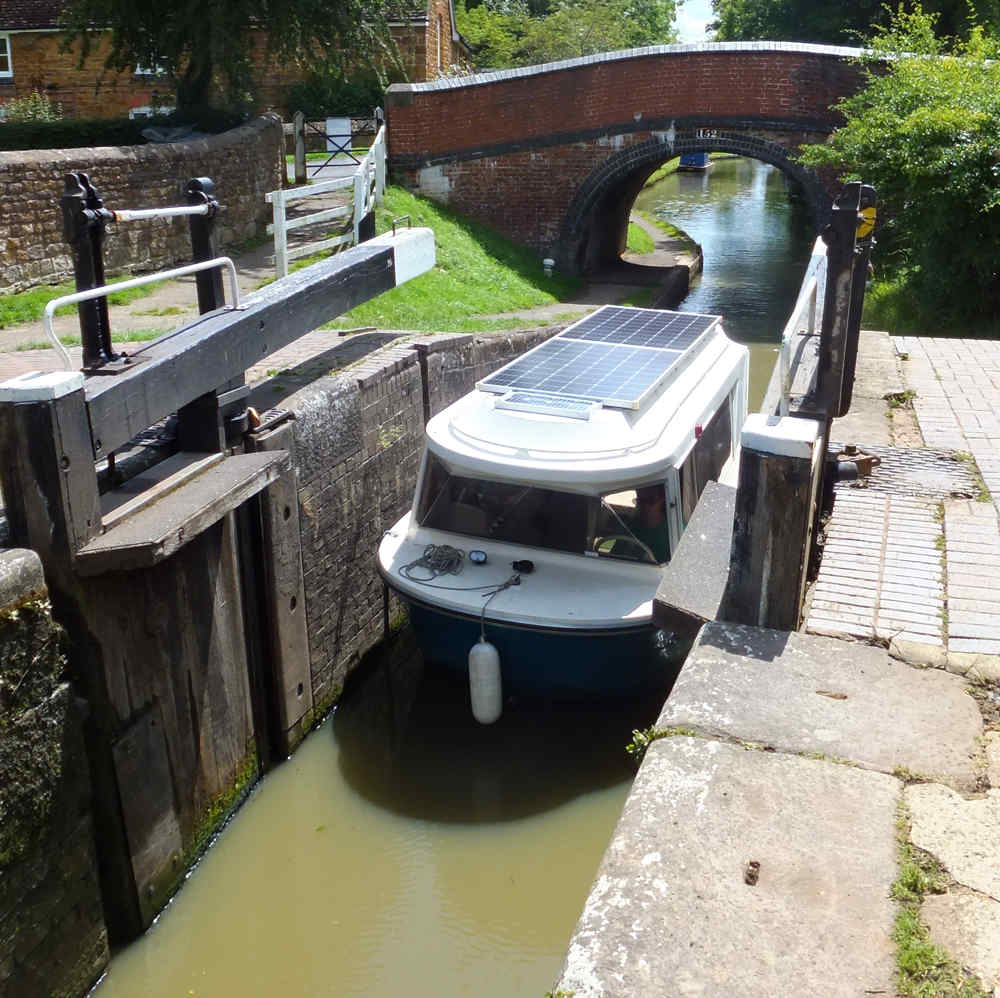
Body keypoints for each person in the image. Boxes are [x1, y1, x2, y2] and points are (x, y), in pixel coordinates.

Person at [628, 484, 670, 563]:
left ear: (662, 502)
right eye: (639, 501)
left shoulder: (674, 530)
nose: (642, 506)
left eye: (649, 501)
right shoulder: (632, 526)